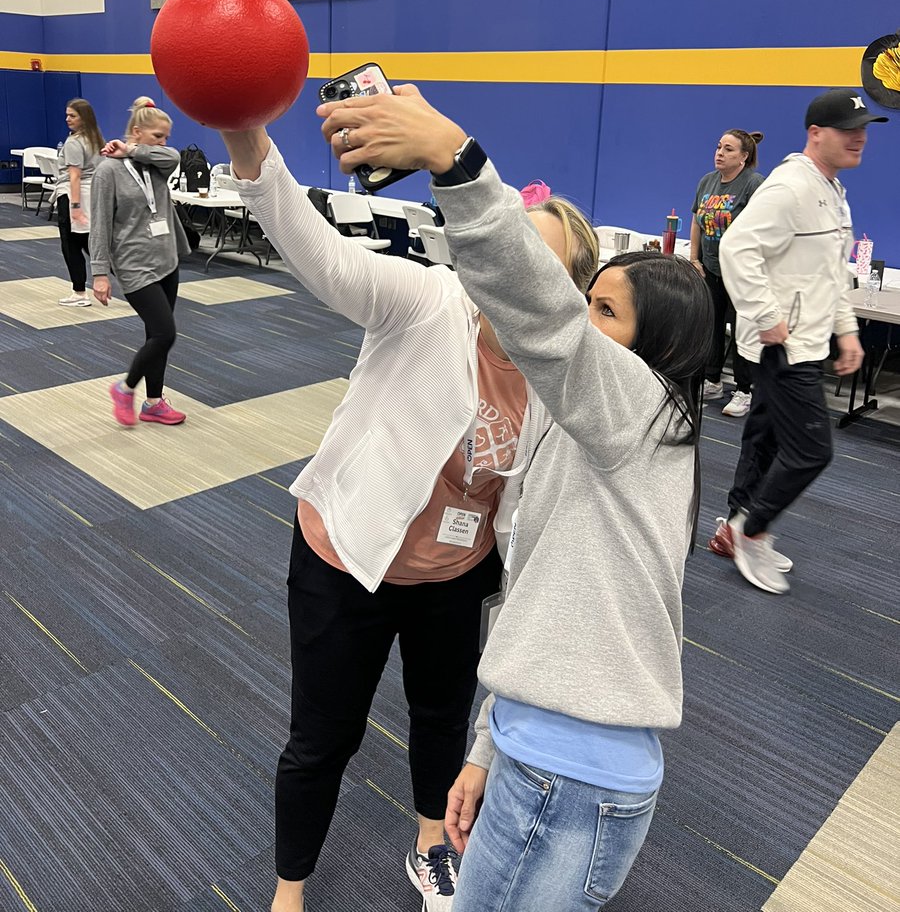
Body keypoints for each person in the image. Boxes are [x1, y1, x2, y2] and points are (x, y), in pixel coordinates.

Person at [318, 84, 714, 912]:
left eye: (603, 310)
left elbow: (545, 321)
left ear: (657, 346)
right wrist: (485, 749)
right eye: (587, 301)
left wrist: (454, 161)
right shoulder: (586, 436)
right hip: (538, 751)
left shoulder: (639, 409)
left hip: (569, 778)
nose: (581, 317)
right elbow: (538, 601)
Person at [219, 125, 599, 912]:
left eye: (538, 262)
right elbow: (326, 258)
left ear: (564, 289)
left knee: (441, 714)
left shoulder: (557, 376)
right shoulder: (429, 301)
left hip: (454, 576)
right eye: (507, 247)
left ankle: (432, 845)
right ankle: (290, 889)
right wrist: (249, 144)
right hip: (348, 557)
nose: (510, 268)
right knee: (324, 735)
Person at [712, 89, 885, 594]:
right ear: (816, 134)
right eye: (848, 130)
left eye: (863, 129)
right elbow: (737, 249)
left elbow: (830, 273)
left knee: (765, 438)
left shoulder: (831, 191)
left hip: (805, 338)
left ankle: (733, 524)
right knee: (811, 449)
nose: (859, 138)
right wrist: (767, 316)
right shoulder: (789, 187)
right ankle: (752, 530)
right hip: (785, 345)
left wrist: (847, 330)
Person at [90, 97, 189, 427]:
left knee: (154, 336)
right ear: (136, 131)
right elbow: (100, 224)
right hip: (134, 264)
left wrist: (132, 150)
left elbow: (174, 157)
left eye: (166, 137)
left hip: (166, 259)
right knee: (165, 334)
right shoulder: (107, 171)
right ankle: (125, 388)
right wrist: (99, 273)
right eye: (157, 136)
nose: (163, 143)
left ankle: (153, 403)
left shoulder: (156, 163)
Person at [690, 129, 765, 418]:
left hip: (741, 273)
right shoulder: (707, 181)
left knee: (742, 331)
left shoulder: (754, 184)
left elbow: (764, 227)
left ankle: (744, 390)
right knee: (712, 325)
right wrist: (694, 258)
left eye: (728, 149)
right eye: (719, 147)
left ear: (744, 156)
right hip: (710, 267)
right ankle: (712, 381)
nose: (720, 153)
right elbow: (697, 220)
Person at [56, 98, 105, 307]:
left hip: (73, 195)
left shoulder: (74, 142)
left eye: (72, 115)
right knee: (89, 243)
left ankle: (79, 292)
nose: (68, 119)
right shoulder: (96, 138)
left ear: (84, 118)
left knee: (71, 245)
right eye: (67, 115)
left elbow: (74, 176)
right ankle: (129, 281)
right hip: (92, 195)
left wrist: (74, 207)